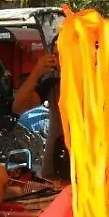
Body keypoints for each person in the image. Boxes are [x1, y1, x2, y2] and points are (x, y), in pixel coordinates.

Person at [14, 52, 68, 181]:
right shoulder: (53, 85)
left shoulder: (101, 82)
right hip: (56, 167)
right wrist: (36, 73)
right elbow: (18, 107)